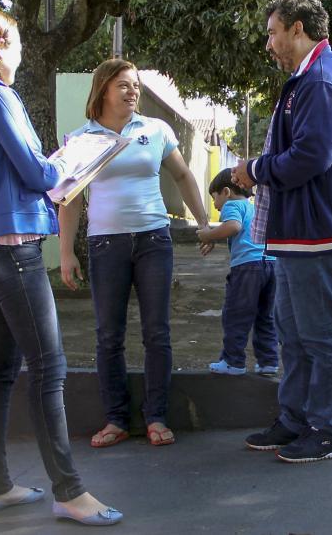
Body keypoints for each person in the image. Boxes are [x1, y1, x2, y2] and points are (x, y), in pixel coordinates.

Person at [0, 6, 121, 526]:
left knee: (0, 370)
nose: (20, 53)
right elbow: (38, 172)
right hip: (9, 252)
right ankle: (70, 491)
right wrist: (77, 154)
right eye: (16, 43)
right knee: (48, 368)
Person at [233, 0, 332, 463]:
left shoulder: (320, 81)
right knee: (292, 330)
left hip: (322, 232)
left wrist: (253, 170)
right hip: (303, 232)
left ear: (298, 28)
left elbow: (312, 158)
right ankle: (295, 419)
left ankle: (331, 429)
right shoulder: (308, 78)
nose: (269, 43)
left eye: (273, 32)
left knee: (322, 334)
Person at [58, 59, 211, 448]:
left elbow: (182, 176)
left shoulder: (155, 129)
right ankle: (116, 420)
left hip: (153, 241)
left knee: (156, 332)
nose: (132, 92)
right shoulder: (81, 139)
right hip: (105, 244)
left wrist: (203, 222)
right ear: (103, 89)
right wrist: (66, 253)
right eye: (124, 85)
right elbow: (70, 200)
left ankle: (156, 416)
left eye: (136, 86)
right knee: (109, 335)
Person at [197, 168, 279, 377]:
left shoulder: (232, 205)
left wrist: (208, 235)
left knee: (236, 314)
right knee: (266, 316)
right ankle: (268, 362)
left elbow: (233, 226)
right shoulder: (255, 207)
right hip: (271, 263)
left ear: (226, 192)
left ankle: (233, 361)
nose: (215, 206)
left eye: (214, 199)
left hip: (247, 269)